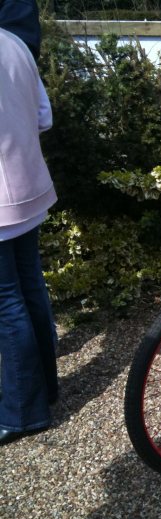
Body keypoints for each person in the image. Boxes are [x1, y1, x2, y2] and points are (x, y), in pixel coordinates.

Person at [0, 26, 58, 445]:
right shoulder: (14, 42)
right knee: (30, 289)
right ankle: (46, 389)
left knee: (6, 303)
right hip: (29, 183)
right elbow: (44, 116)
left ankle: (23, 412)